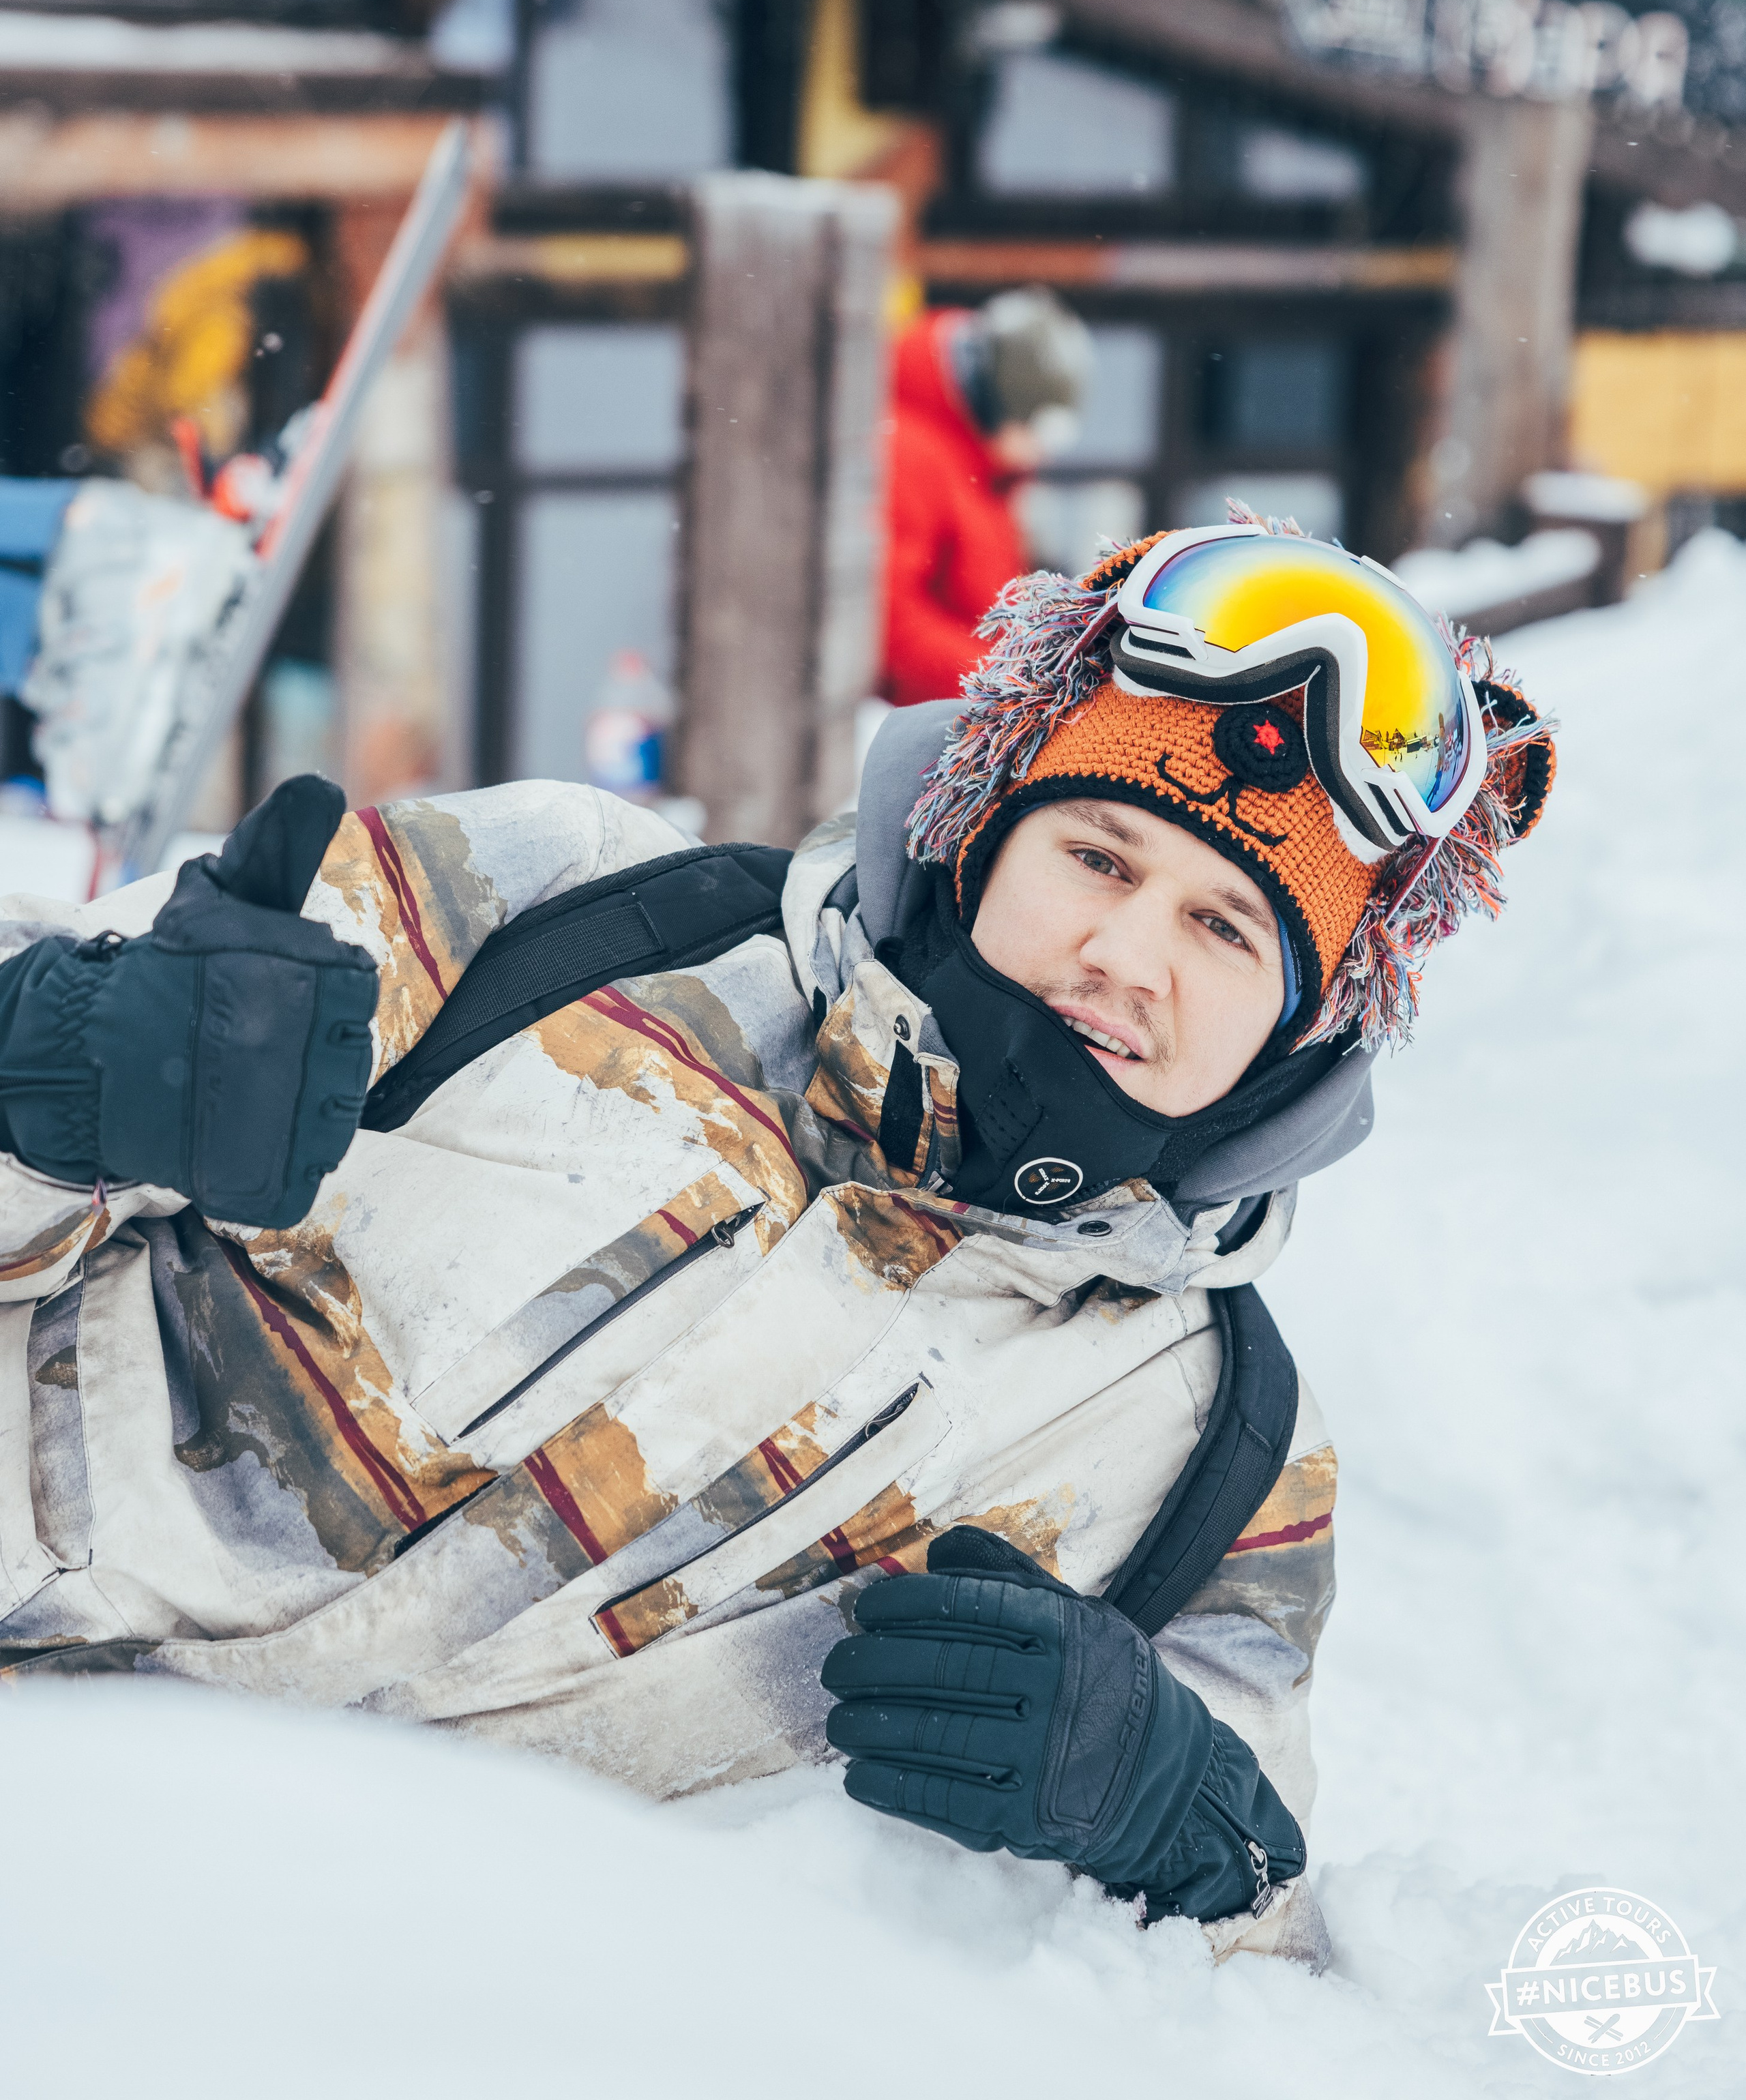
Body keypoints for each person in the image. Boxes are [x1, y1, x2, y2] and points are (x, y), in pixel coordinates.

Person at [0, 516, 1554, 1965]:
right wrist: (54, 1084)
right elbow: (90, 1041)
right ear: (978, 826)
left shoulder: (1215, 1447)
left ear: (1306, 1017)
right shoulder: (558, 911)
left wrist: (1169, 1818)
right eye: (1095, 855)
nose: (1121, 956)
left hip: (379, 1997)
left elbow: (1255, 1955)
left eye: (1224, 928)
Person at [883, 286, 1092, 707]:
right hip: (908, 724)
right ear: (998, 407)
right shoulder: (909, 457)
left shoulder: (980, 468)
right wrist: (1008, 684)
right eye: (1037, 431)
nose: (1042, 452)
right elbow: (892, 622)